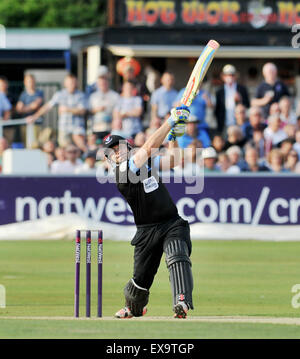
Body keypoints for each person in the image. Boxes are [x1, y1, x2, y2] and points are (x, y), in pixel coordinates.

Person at [102, 105, 194, 319]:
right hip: (146, 231)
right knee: (139, 283)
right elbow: (151, 145)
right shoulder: (122, 173)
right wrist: (170, 121)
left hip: (171, 222)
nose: (116, 153)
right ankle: (133, 308)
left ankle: (182, 302)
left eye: (119, 147)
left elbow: (174, 160)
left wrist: (174, 136)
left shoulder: (144, 163)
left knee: (177, 254)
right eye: (111, 152)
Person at [26, 74, 87, 152]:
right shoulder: (60, 94)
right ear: (65, 83)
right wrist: (35, 116)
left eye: (73, 82)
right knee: (67, 151)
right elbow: (48, 106)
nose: (72, 84)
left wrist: (67, 109)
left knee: (80, 147)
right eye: (70, 82)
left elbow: (82, 111)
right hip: (64, 128)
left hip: (77, 128)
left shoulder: (80, 95)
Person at [215, 64, 250, 134]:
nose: (230, 77)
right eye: (227, 75)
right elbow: (217, 109)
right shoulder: (219, 91)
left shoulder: (242, 89)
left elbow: (247, 105)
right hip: (225, 124)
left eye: (232, 75)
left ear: (235, 76)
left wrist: (240, 100)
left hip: (239, 124)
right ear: (223, 76)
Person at [88, 70, 120, 139]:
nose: (103, 85)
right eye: (101, 83)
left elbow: (118, 111)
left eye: (104, 83)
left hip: (111, 129)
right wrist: (96, 110)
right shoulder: (93, 96)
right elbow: (89, 111)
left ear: (108, 83)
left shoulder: (115, 96)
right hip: (96, 128)